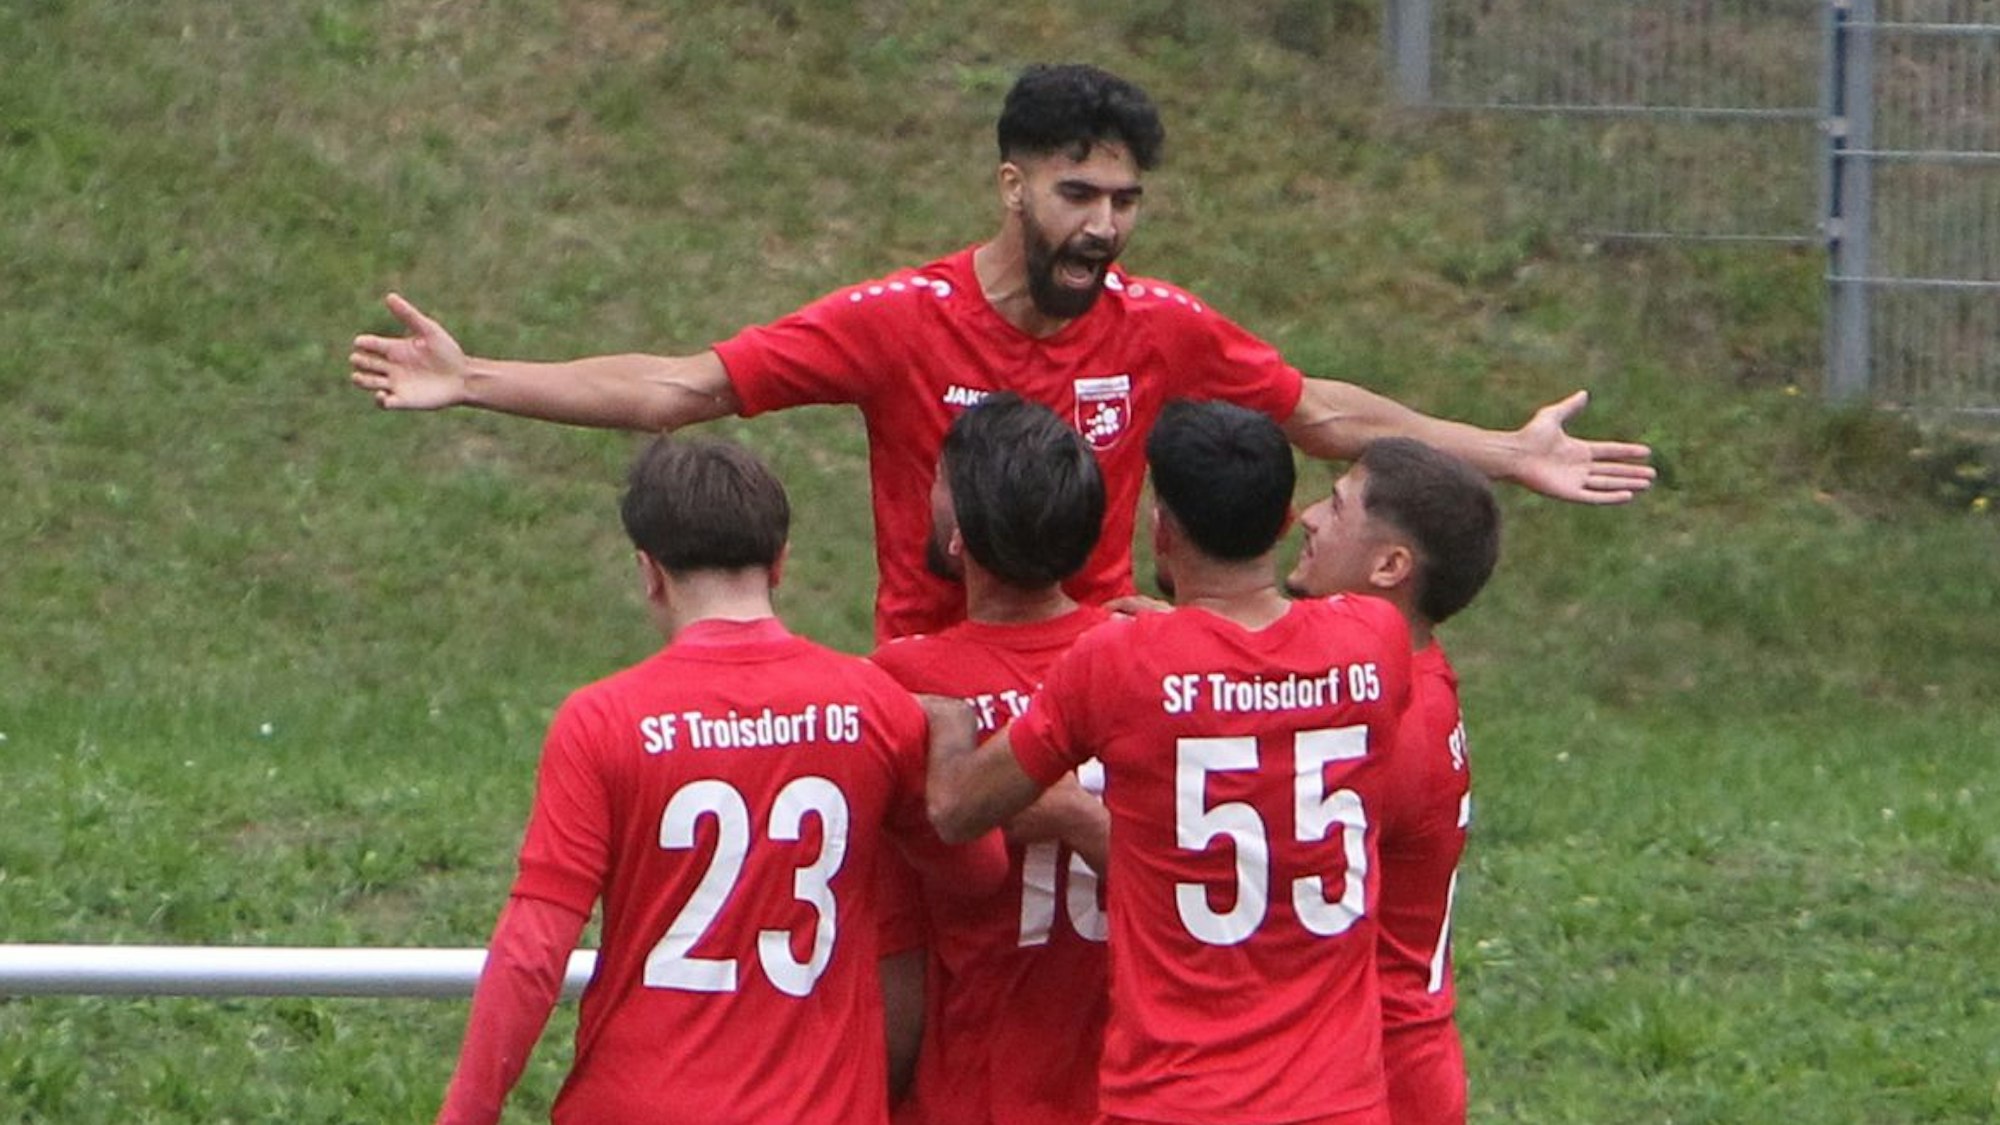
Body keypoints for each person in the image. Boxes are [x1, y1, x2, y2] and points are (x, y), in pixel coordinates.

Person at [348, 63, 1656, 642]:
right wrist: (479, 379)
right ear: (1011, 184)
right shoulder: (896, 320)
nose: (1103, 225)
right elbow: (683, 388)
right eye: (1078, 195)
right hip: (936, 690)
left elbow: (1314, 409)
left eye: (1124, 201)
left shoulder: (1157, 325)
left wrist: (1503, 452)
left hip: (1105, 687)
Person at [434, 436, 1007, 1125]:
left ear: (649, 571)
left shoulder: (602, 721)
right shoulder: (873, 706)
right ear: (781, 563)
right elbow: (977, 871)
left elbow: (535, 946)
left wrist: (466, 1113)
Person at [928, 400, 1414, 1125]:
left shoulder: (1120, 664)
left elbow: (956, 808)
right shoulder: (1376, 638)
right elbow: (1265, 686)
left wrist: (945, 723)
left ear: (1163, 525)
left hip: (1176, 1096)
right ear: (1283, 520)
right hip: (1337, 1098)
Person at [869, 392, 1115, 1125]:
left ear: (959, 539)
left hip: (971, 1090)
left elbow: (895, 946)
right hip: (1130, 1087)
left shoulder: (904, 683)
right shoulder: (1144, 663)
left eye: (939, 478)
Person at [1282, 439, 1501, 1125]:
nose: (1310, 517)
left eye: (1338, 506)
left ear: (1390, 565)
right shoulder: (1398, 682)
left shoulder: (1392, 723)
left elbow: (1252, 871)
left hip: (1379, 1082)